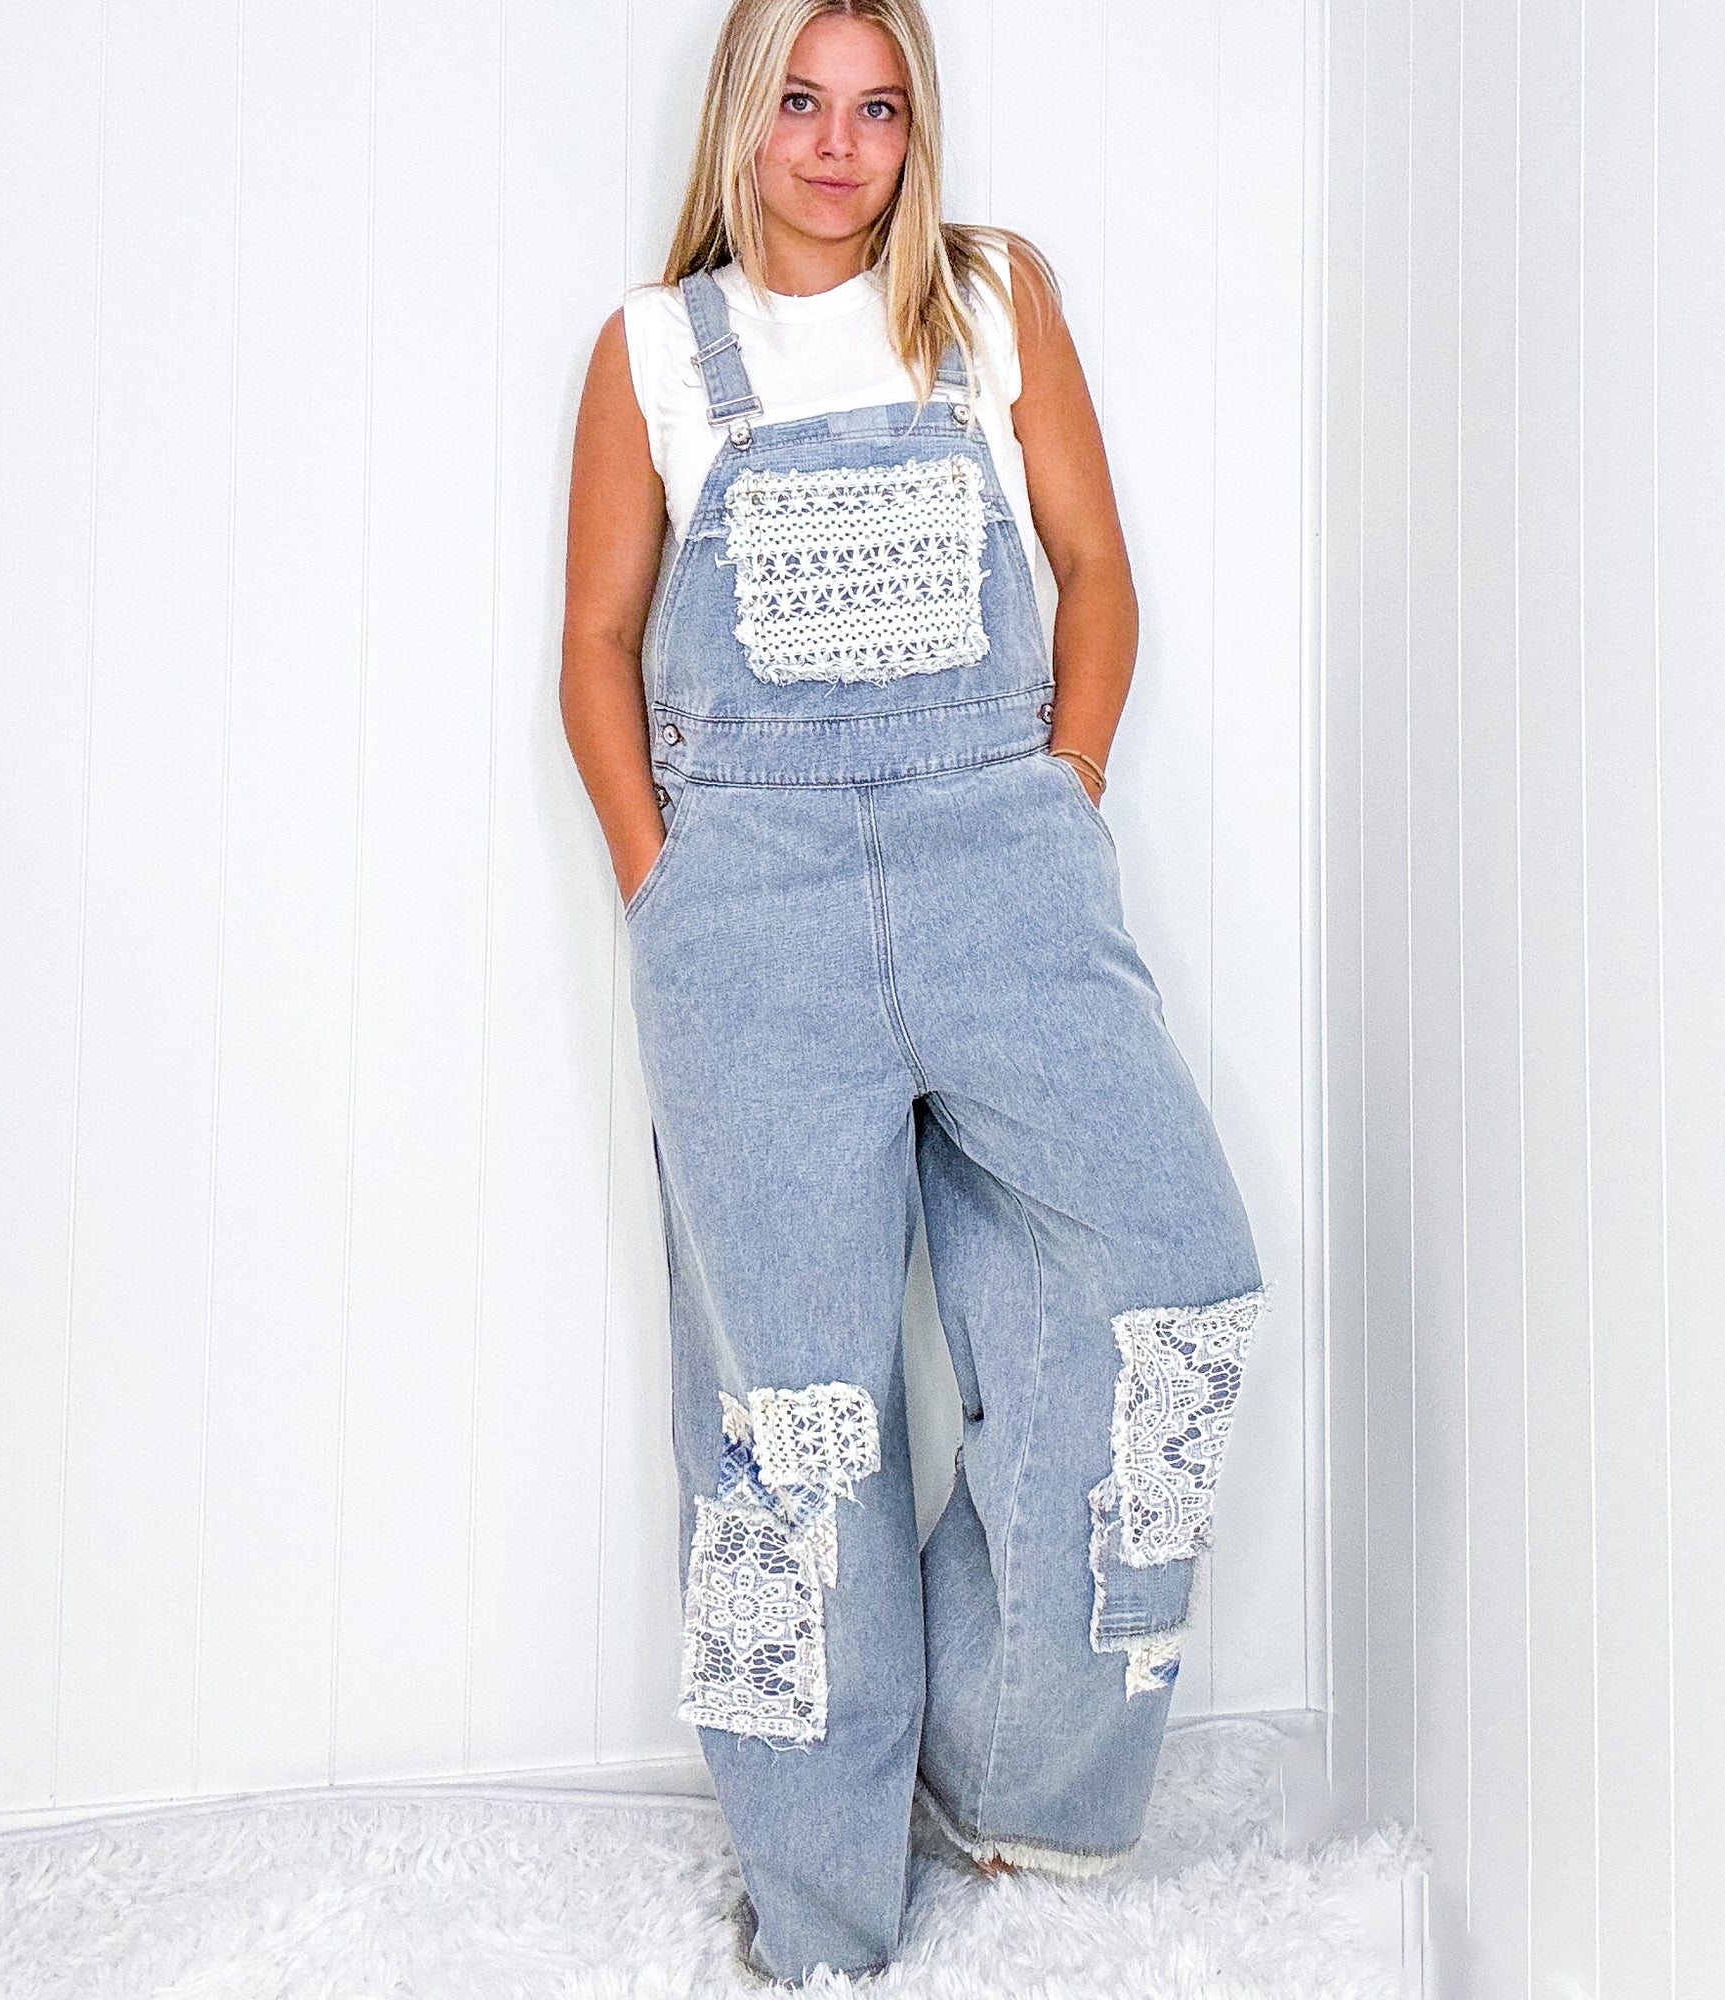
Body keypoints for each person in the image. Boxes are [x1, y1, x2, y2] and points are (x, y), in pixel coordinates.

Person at [559, 0, 1266, 1982]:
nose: (836, 145)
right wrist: (663, 887)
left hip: (1000, 867)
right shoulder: (655, 351)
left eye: (877, 108)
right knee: (791, 1414)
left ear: (913, 129)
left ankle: (1004, 1770)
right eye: (799, 99)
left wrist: (1066, 786)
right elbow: (596, 642)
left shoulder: (989, 300)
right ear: (741, 114)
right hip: (751, 913)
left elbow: (1094, 569)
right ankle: (820, 1904)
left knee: (1169, 1289)